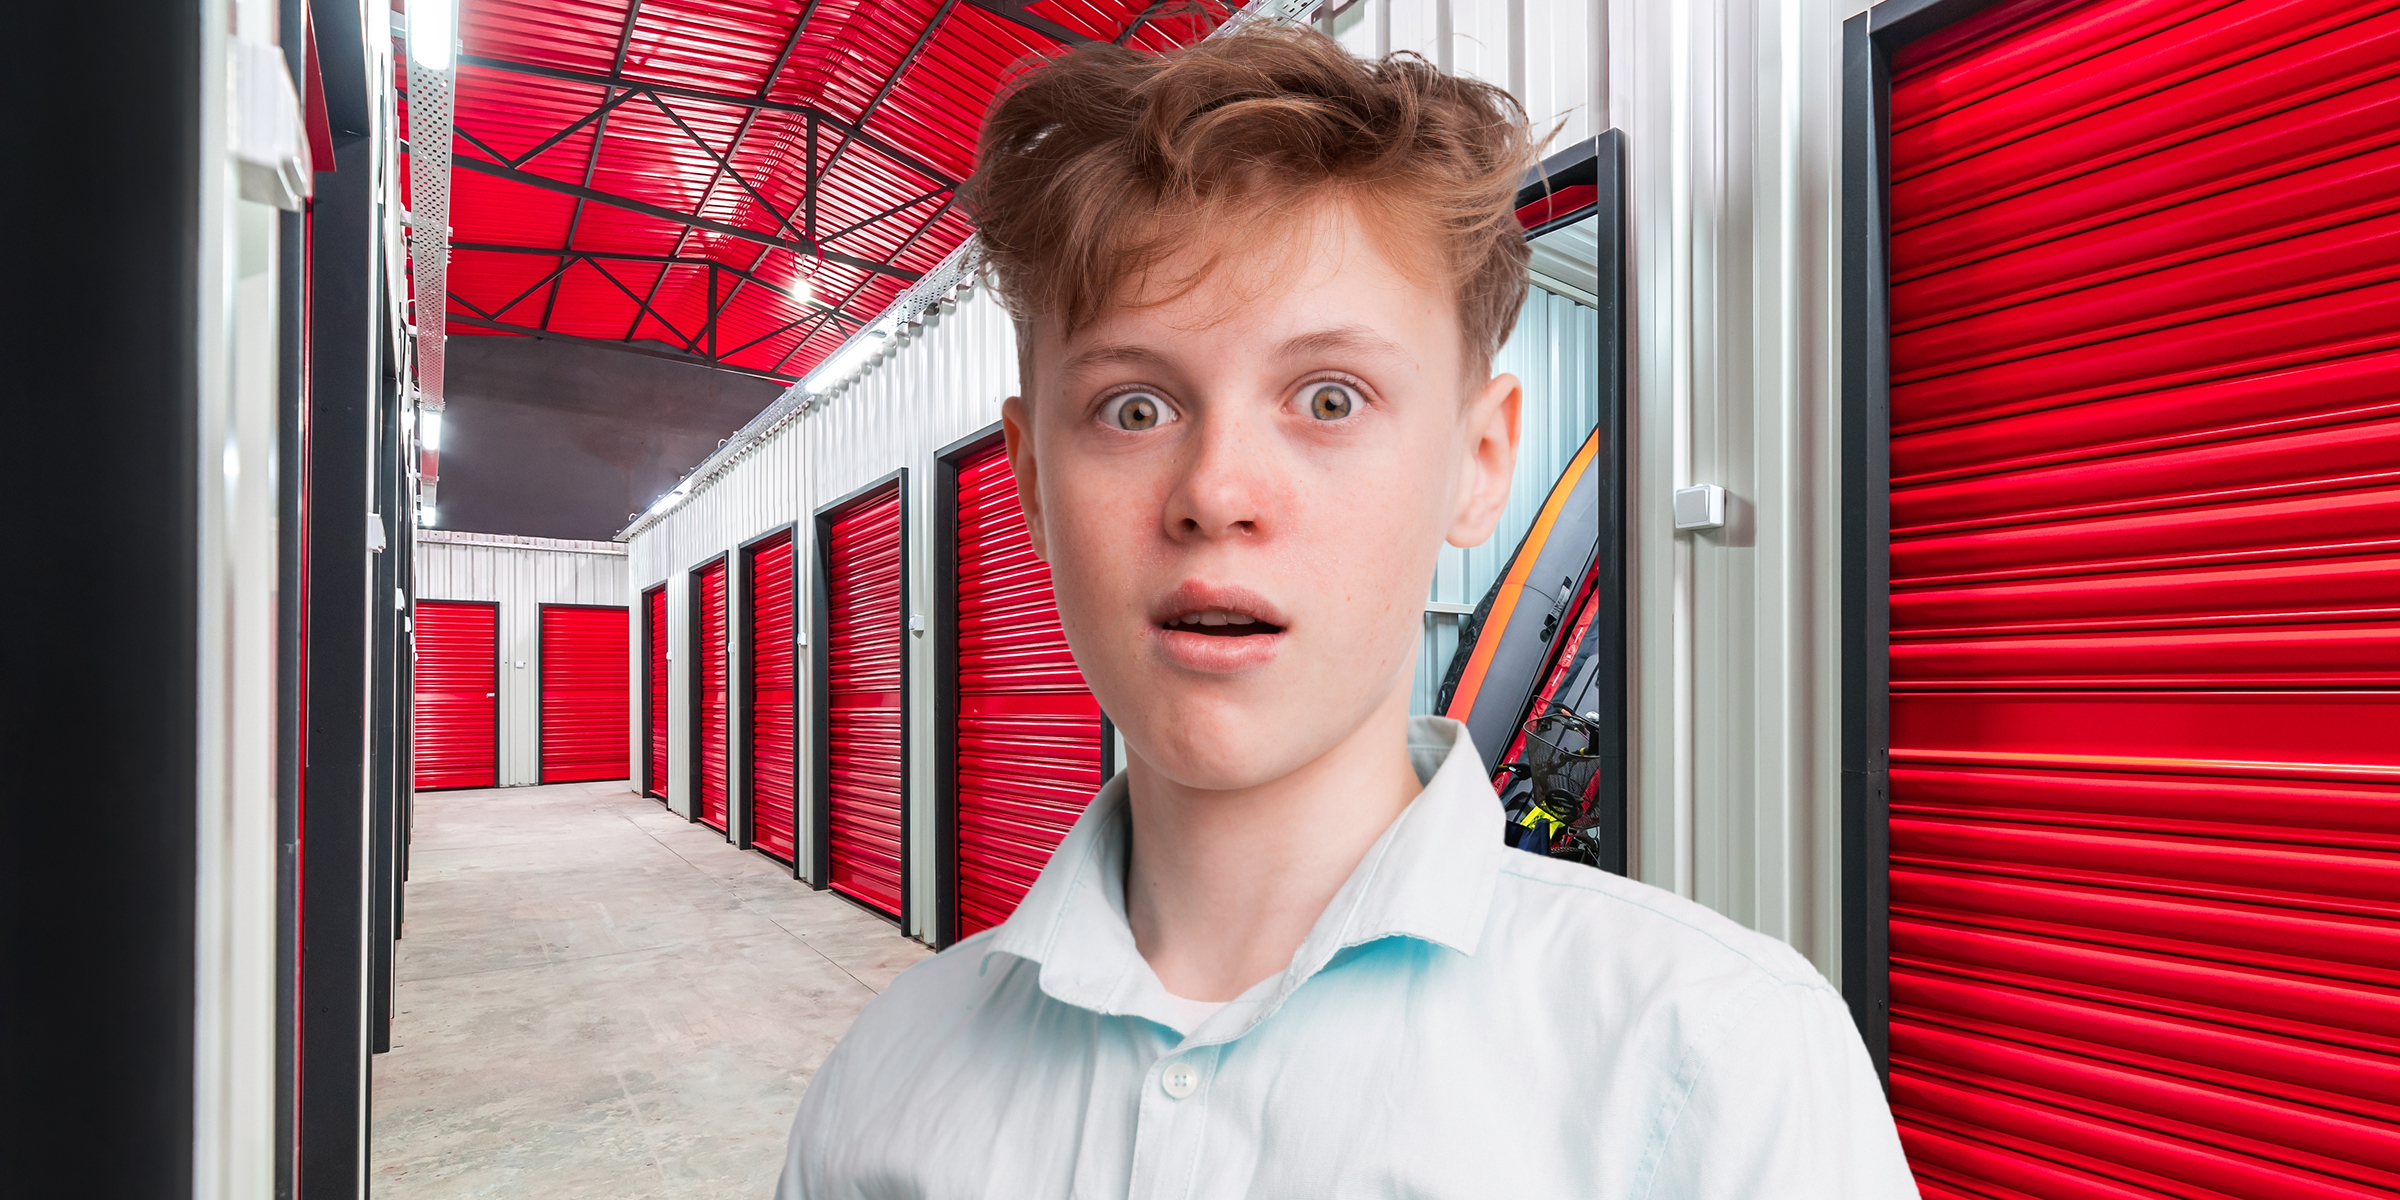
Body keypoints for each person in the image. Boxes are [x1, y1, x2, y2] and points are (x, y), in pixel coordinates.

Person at [777, 24, 1917, 1199]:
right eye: (1132, 408)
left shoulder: (1719, 1073)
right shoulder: (880, 1092)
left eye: (1329, 397)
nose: (1215, 493)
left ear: (1479, 463)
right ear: (1026, 478)